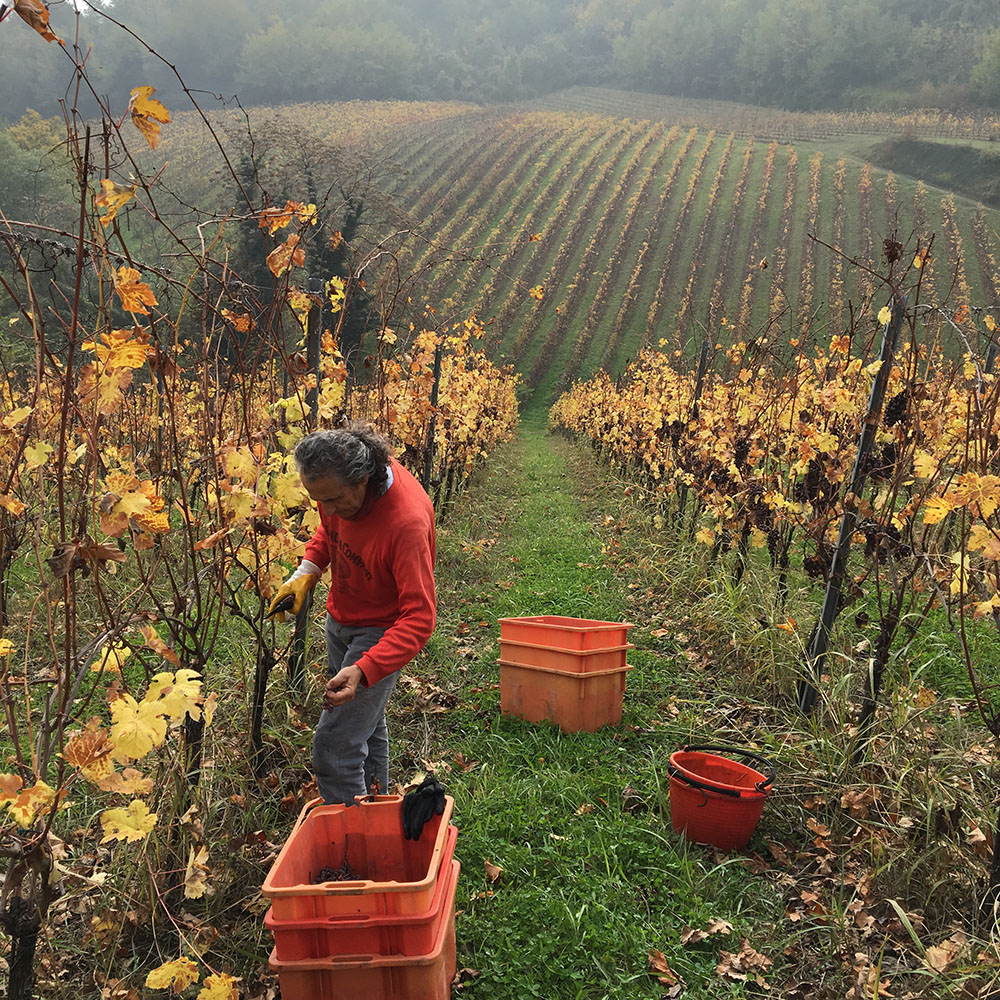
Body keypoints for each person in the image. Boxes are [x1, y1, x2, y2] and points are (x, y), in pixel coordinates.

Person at [269, 423, 436, 805]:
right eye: (317, 500)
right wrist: (306, 572)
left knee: (335, 747)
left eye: (333, 499)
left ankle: (351, 843)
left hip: (381, 630)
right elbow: (329, 532)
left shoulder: (406, 523)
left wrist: (366, 667)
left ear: (362, 480)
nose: (326, 511)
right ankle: (375, 809)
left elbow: (420, 618)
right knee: (365, 725)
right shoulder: (337, 490)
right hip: (341, 618)